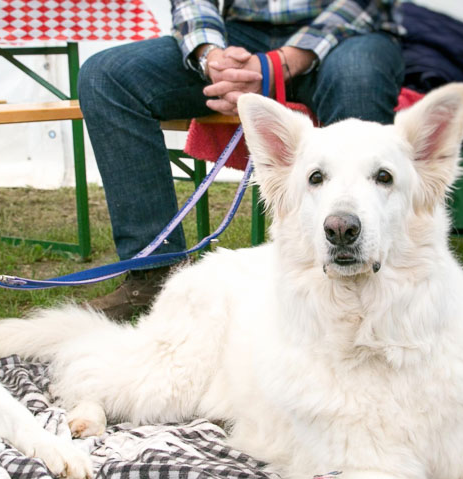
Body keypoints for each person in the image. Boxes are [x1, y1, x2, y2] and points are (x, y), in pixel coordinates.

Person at [78, 0, 405, 320]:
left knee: (358, 79)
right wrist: (211, 56)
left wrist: (283, 62)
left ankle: (367, 264)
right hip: (240, 35)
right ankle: (154, 273)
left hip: (345, 33)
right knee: (105, 76)